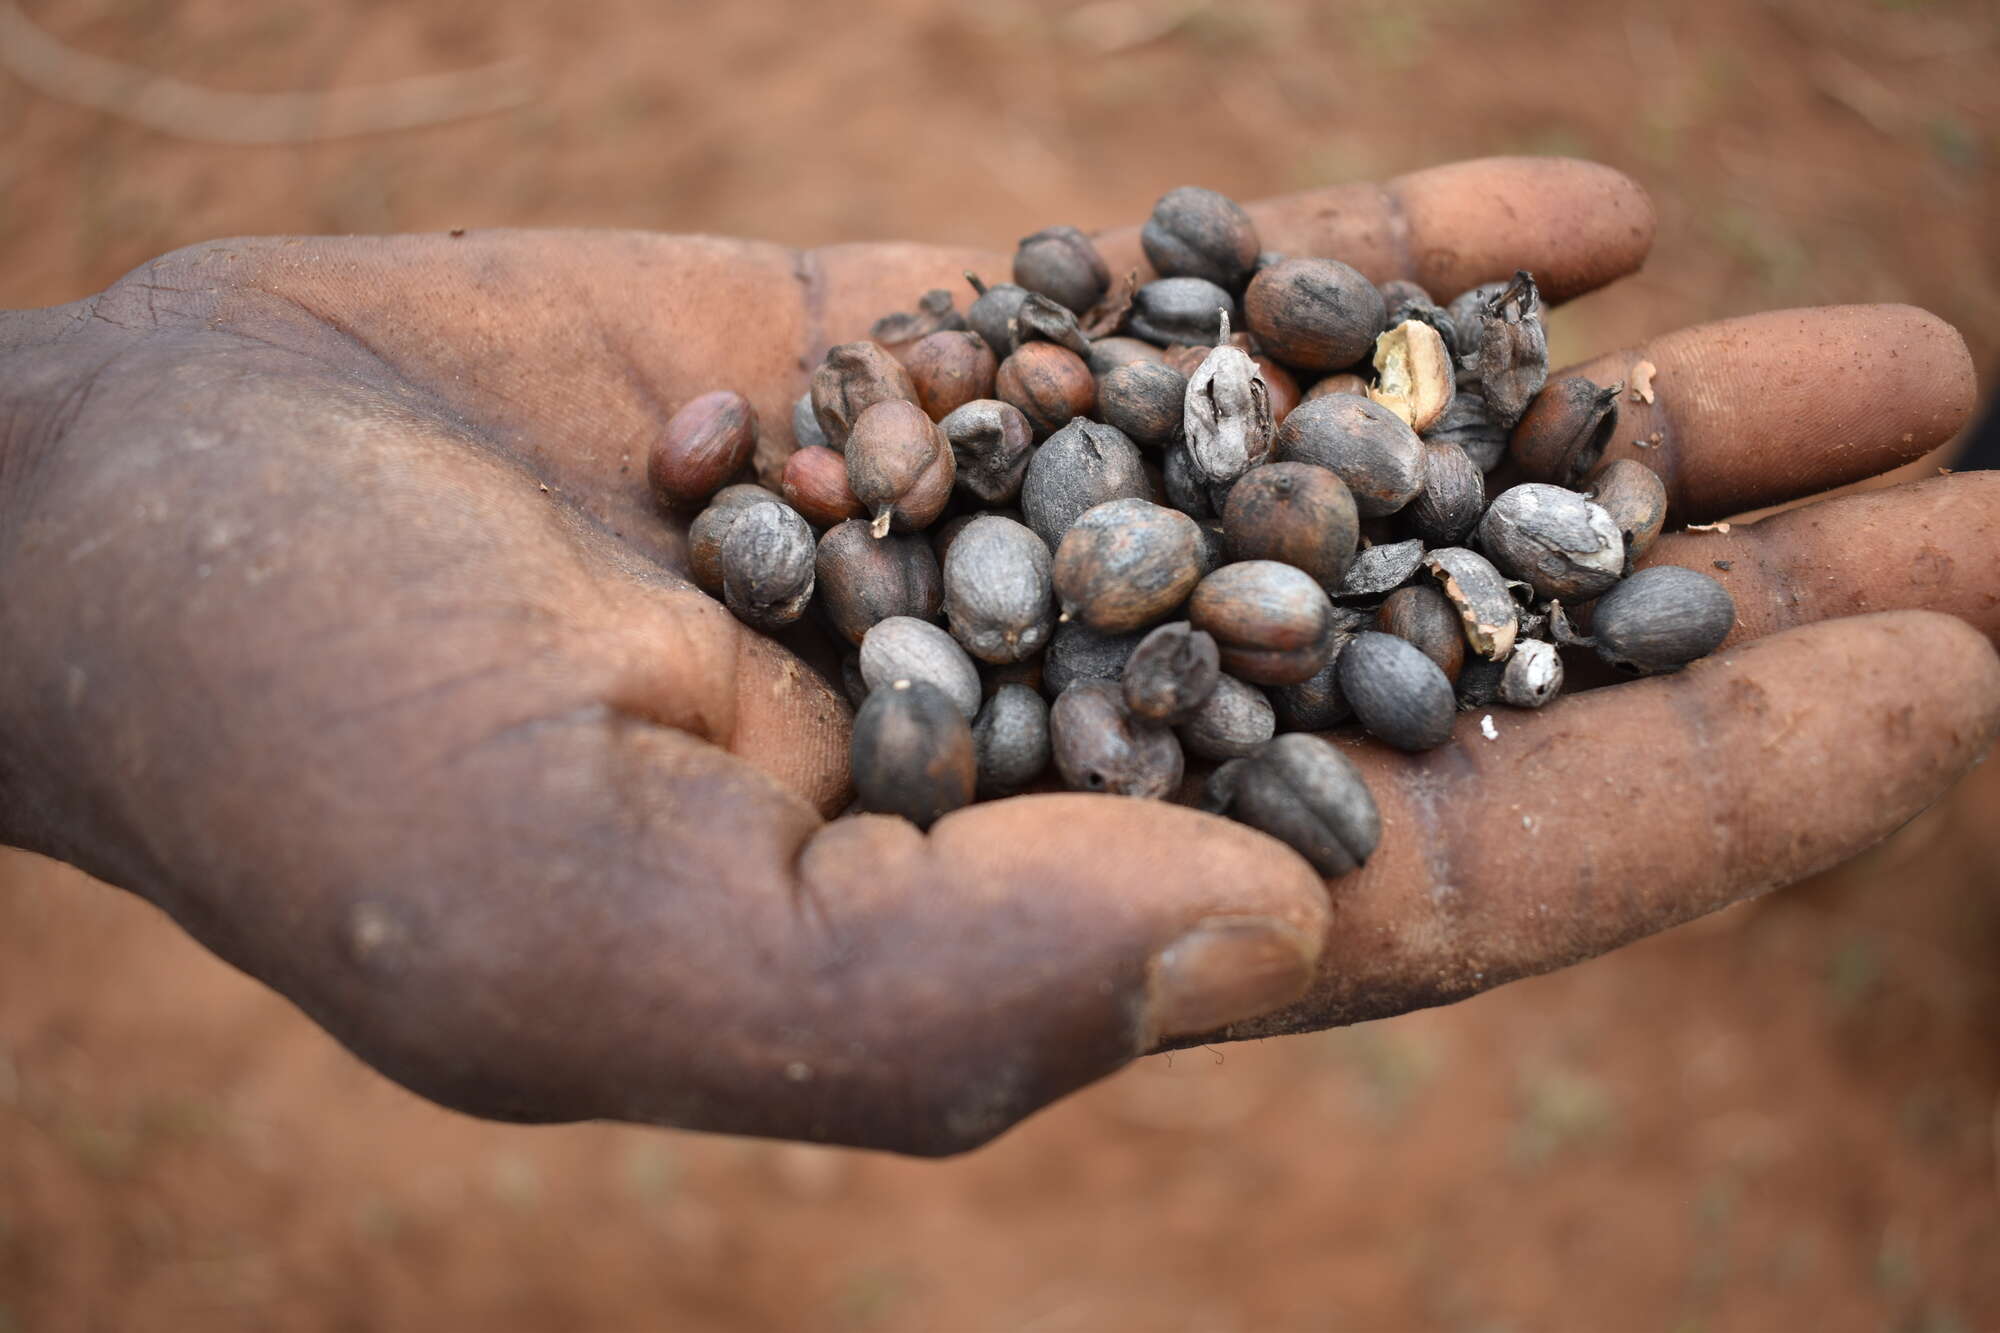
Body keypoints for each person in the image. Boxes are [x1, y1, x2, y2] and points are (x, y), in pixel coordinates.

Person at [0, 158, 1993, 1155]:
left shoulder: (1242, 481)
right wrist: (63, 479)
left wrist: (56, 452)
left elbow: (1254, 508)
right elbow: (1090, 513)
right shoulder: (997, 538)